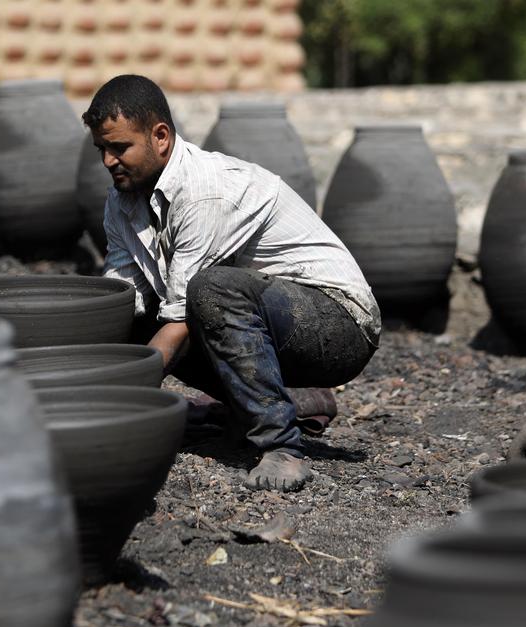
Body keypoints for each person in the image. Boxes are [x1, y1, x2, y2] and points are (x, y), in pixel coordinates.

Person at [82, 75, 381, 492]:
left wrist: (119, 398)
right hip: (266, 317)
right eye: (102, 150)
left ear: (161, 137)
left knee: (209, 292)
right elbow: (125, 299)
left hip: (338, 322)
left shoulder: (205, 191)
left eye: (120, 148)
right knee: (138, 314)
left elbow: (185, 313)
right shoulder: (121, 202)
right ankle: (275, 403)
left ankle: (282, 447)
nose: (108, 162)